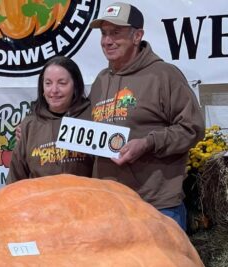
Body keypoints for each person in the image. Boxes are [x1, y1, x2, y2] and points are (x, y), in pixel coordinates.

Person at [88, 2, 205, 230]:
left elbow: (193, 127)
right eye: (104, 34)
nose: (107, 41)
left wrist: (148, 143)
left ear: (137, 35)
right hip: (110, 205)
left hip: (156, 206)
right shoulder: (100, 81)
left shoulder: (164, 75)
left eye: (116, 33)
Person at [6, 56, 93, 184]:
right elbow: (15, 178)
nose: (54, 90)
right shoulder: (30, 125)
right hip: (40, 202)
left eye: (62, 83)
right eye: (48, 83)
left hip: (85, 200)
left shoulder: (91, 118)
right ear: (42, 88)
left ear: (75, 86)